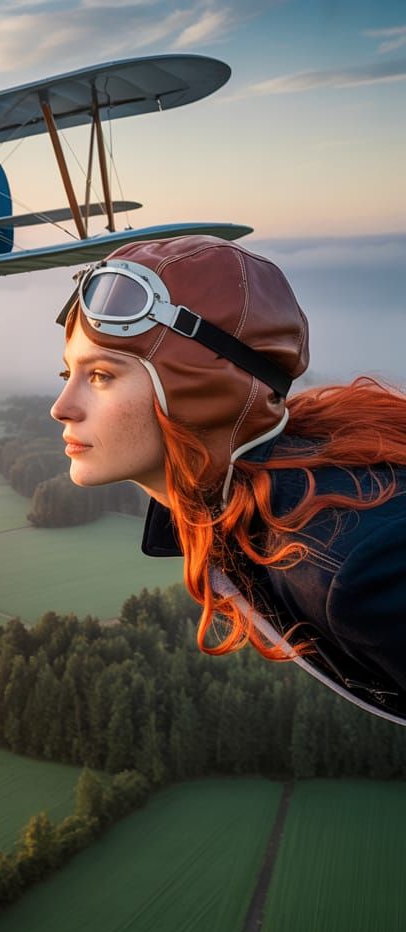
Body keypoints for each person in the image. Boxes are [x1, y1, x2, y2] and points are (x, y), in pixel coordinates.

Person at [50, 234, 406, 723]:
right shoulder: (262, 505)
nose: (62, 407)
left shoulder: (348, 565)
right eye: (67, 375)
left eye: (101, 376)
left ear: (203, 392)